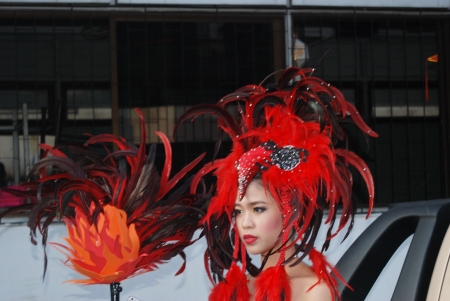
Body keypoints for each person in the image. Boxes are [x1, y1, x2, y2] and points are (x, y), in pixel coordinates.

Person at [175, 67, 378, 301]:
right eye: (238, 211)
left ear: (288, 209)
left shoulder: (312, 290)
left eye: (258, 209)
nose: (245, 224)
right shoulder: (236, 289)